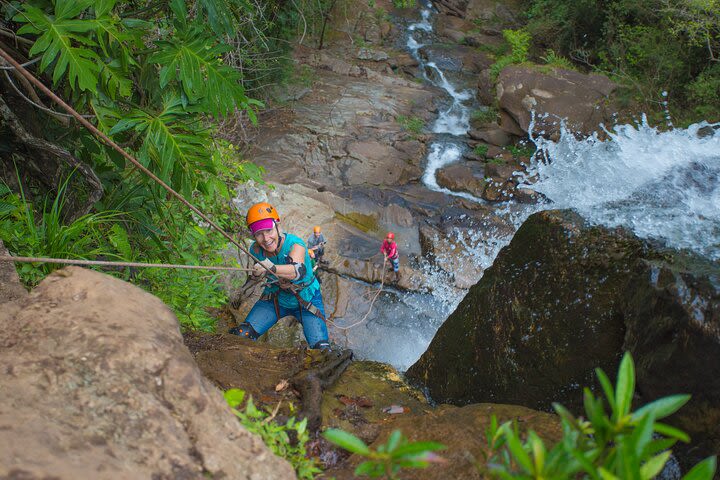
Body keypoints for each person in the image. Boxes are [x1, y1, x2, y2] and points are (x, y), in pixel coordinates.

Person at [229, 202, 330, 350]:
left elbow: (298, 271)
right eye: (258, 234)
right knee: (241, 335)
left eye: (269, 230)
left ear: (278, 226)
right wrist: (254, 278)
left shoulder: (296, 244)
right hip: (275, 298)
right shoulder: (256, 249)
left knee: (322, 350)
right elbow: (258, 276)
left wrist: (271, 268)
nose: (266, 238)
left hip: (307, 299)